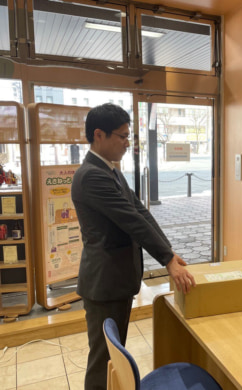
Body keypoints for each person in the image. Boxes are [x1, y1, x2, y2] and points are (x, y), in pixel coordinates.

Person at [71, 103, 196, 390]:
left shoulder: (110, 170)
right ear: (99, 135)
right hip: (104, 282)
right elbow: (131, 222)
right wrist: (167, 260)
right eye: (122, 136)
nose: (128, 143)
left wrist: (168, 251)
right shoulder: (92, 175)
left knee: (114, 359)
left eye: (129, 136)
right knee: (104, 360)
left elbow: (140, 212)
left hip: (118, 279)